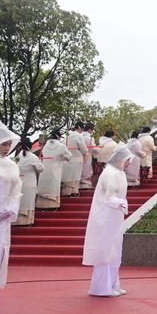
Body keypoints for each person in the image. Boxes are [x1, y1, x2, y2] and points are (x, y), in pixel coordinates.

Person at [82, 143, 132, 297]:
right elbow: (110, 198)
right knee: (106, 251)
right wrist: (121, 203)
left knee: (115, 251)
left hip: (114, 217)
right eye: (128, 160)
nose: (130, 163)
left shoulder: (119, 172)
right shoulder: (110, 173)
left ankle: (112, 284)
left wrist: (121, 203)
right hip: (106, 217)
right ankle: (101, 287)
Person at [0, 119, 23, 314]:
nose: (7, 148)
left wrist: (12, 208)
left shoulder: (11, 164)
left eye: (9, 144)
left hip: (2, 222)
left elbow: (17, 191)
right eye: (3, 144)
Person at [35, 130, 72, 210]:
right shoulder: (61, 146)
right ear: (58, 137)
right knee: (53, 186)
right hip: (55, 169)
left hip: (44, 169)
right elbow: (69, 156)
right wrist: (62, 158)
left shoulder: (45, 146)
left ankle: (42, 205)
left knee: (44, 186)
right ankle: (52, 205)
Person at [14, 139, 43, 226]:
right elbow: (40, 169)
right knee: (28, 202)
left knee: (20, 201)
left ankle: (17, 221)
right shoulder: (33, 157)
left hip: (19, 182)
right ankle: (26, 221)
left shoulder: (17, 157)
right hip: (30, 182)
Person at [61, 122, 88, 197]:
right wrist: (85, 153)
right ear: (79, 127)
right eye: (82, 128)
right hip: (76, 158)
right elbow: (83, 149)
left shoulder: (67, 135)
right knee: (75, 176)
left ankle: (66, 191)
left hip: (67, 158)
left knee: (67, 176)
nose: (82, 130)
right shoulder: (78, 136)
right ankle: (74, 191)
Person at [80, 122, 95, 190]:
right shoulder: (89, 137)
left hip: (79, 157)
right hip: (87, 156)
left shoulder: (79, 136)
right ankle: (85, 186)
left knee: (80, 170)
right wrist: (100, 150)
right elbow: (93, 148)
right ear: (89, 129)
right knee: (86, 170)